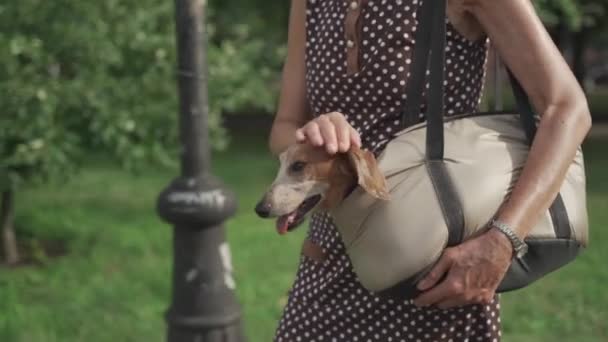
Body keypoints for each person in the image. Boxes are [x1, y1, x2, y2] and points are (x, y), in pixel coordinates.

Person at [267, 0, 591, 340]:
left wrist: (501, 242)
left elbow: (567, 108)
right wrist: (311, 133)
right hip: (326, 270)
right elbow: (284, 127)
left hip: (435, 278)